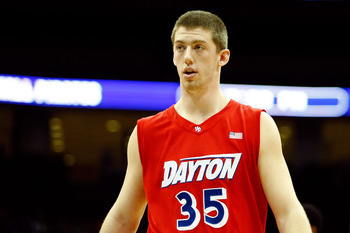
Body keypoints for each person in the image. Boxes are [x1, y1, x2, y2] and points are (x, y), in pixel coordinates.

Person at [100, 10, 312, 233]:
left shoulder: (257, 124)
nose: (188, 57)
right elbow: (123, 218)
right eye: (180, 47)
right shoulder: (146, 132)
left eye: (198, 47)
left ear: (223, 57)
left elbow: (288, 212)